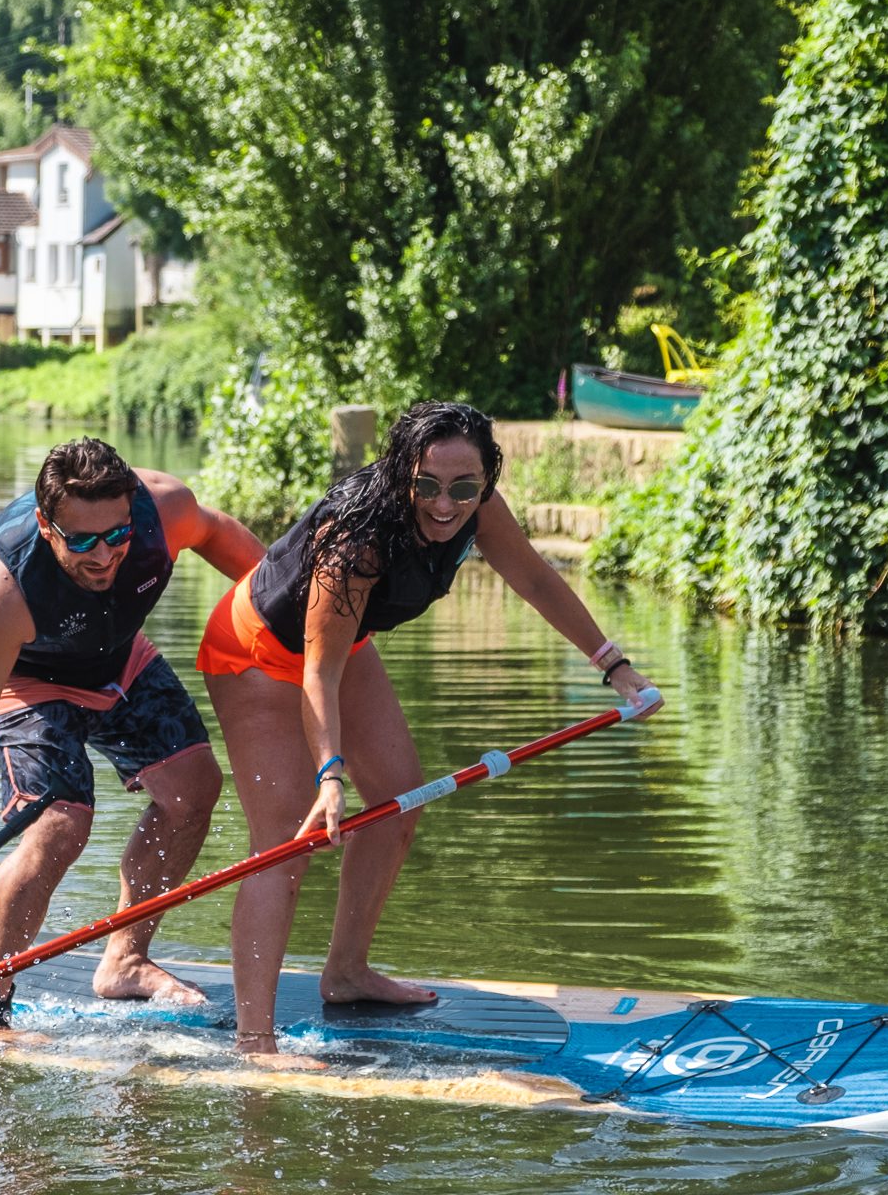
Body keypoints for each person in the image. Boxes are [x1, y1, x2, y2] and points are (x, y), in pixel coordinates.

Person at [196, 401, 661, 1065]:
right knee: (285, 847)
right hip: (259, 654)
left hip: (341, 646)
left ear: (485, 479)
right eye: (428, 487)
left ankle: (347, 973)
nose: (446, 505)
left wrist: (614, 665)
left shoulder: (479, 506)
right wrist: (329, 775)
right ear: (401, 475)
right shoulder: (354, 541)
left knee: (396, 803)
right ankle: (254, 1039)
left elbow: (532, 577)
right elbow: (317, 674)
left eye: (464, 488)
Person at [0, 438, 266, 1024]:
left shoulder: (163, 509)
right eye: (82, 541)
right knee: (60, 823)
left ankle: (125, 961)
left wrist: (305, 612)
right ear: (48, 526)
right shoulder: (3, 590)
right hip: (29, 681)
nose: (104, 555)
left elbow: (222, 535)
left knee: (195, 789)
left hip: (119, 660)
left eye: (117, 535)